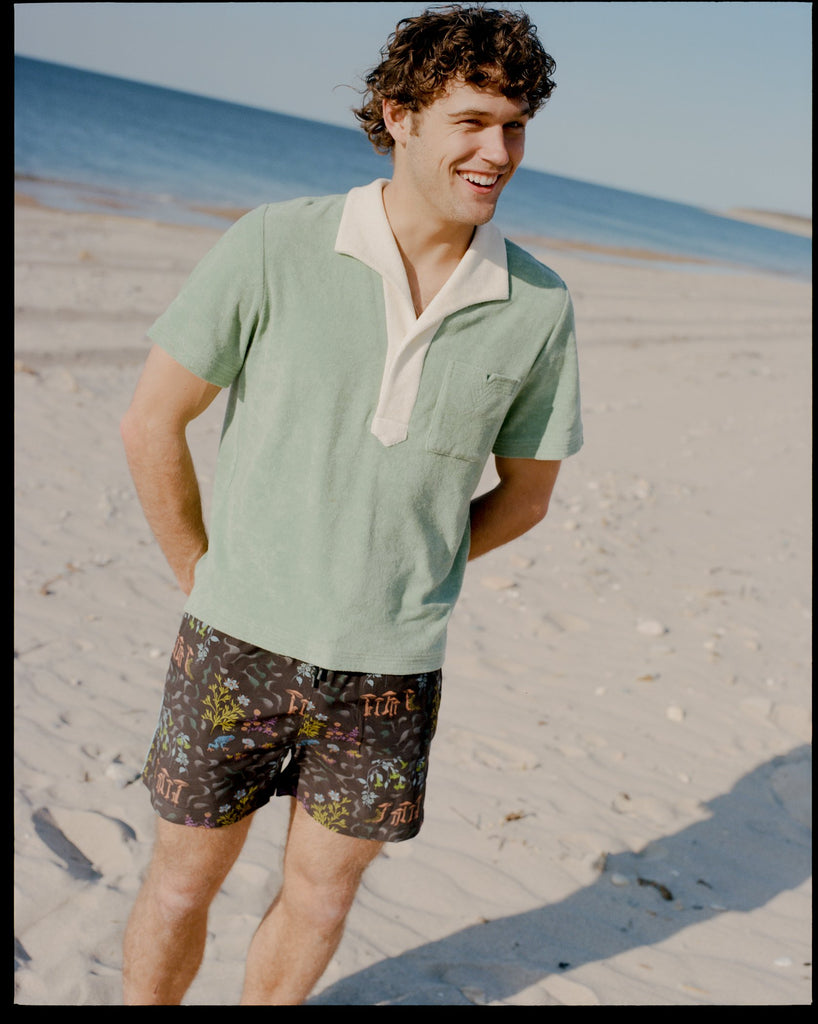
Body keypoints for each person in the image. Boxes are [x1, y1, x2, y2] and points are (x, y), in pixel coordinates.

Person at [120, 3, 582, 1006]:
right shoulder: (275, 243)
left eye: (514, 127)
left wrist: (408, 574)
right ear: (399, 115)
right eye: (472, 121)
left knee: (323, 900)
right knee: (182, 884)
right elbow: (153, 422)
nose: (497, 152)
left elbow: (526, 497)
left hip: (390, 671)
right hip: (235, 641)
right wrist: (203, 573)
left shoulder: (538, 305)